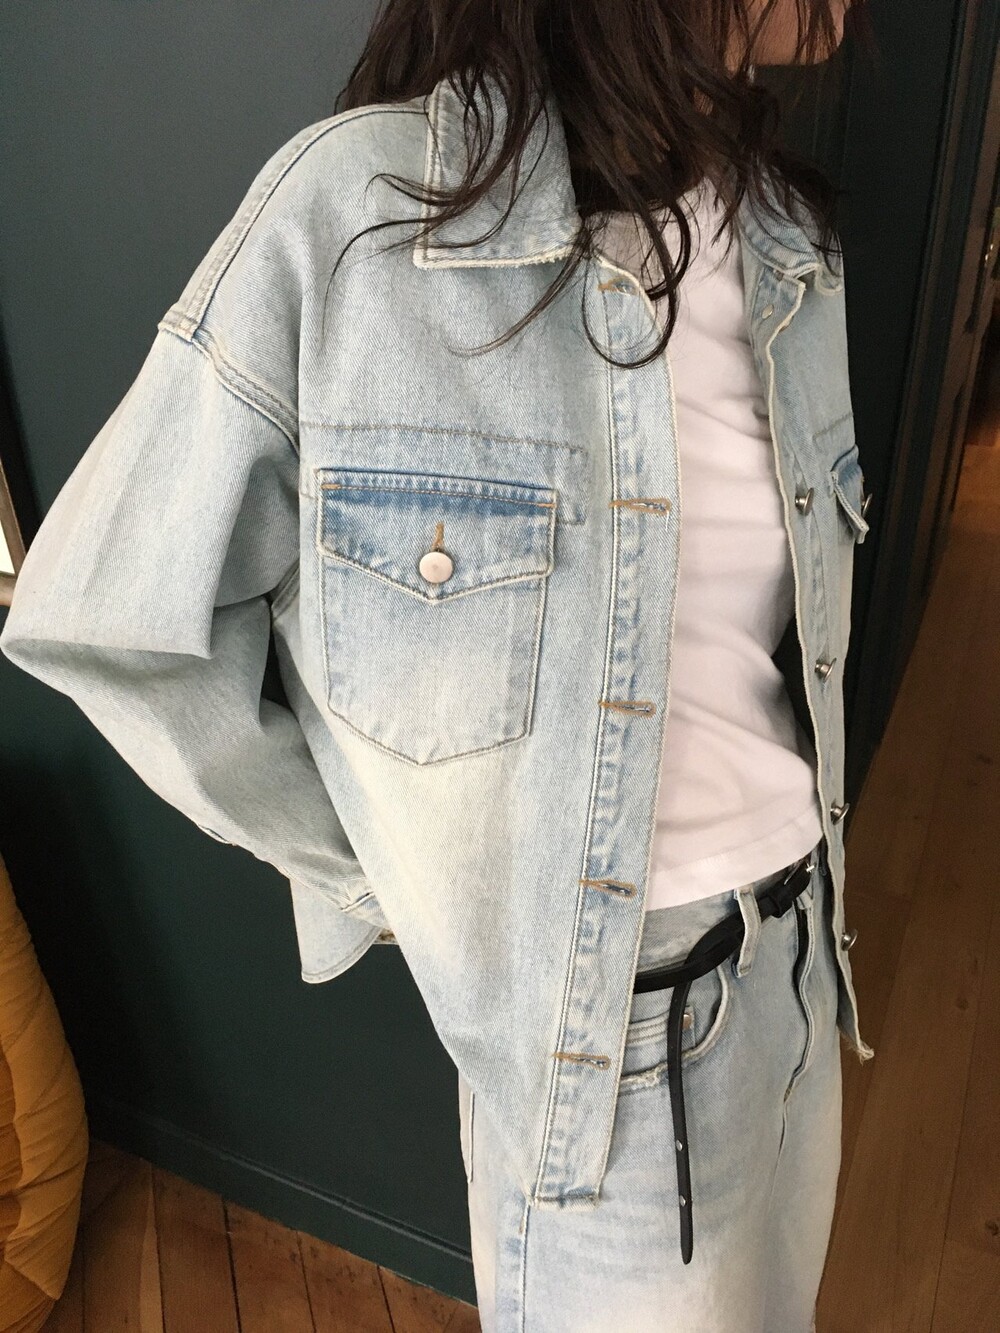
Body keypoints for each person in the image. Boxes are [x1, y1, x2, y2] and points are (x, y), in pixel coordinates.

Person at [0, 1, 877, 1328]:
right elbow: (109, 614)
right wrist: (397, 878)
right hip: (612, 1055)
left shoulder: (787, 241)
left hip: (801, 964)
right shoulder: (359, 220)